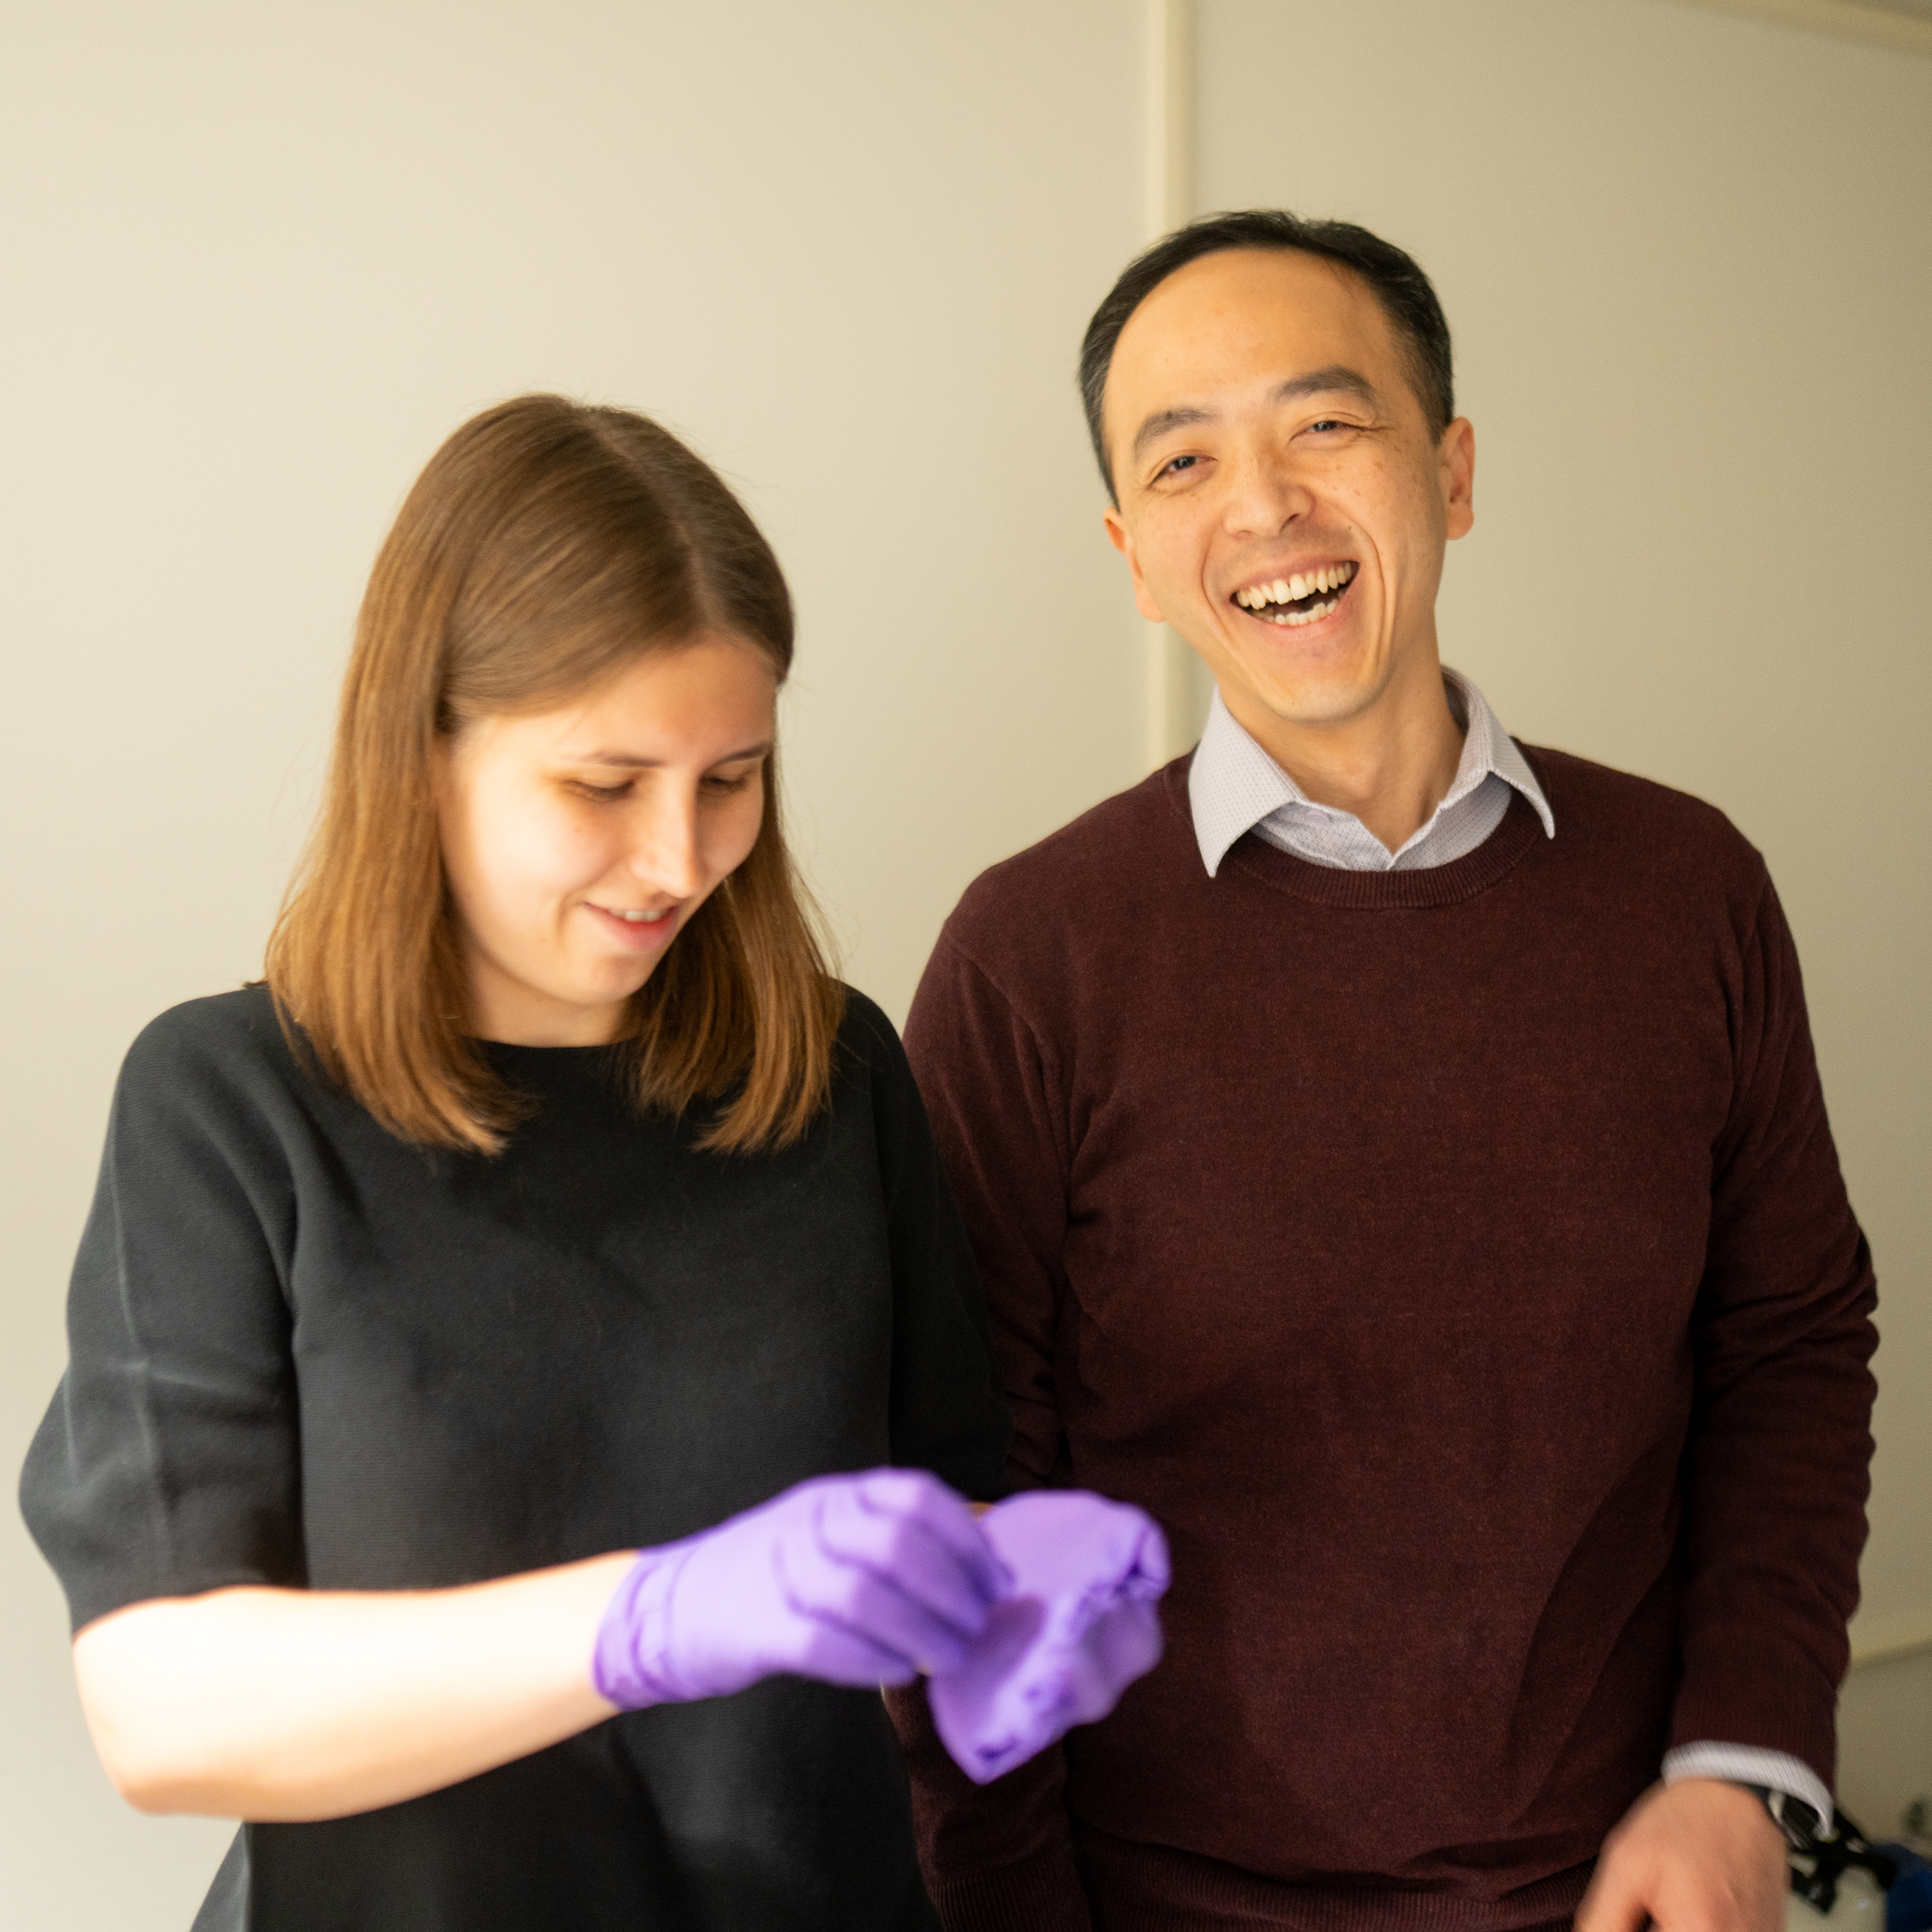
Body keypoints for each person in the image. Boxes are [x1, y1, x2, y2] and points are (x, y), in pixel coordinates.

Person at [19, 394, 1159, 1932]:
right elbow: (161, 1713)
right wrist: (652, 1617)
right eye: (604, 786)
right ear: (426, 752)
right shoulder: (229, 1106)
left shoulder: (831, 1076)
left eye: (731, 777)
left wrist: (1009, 1600)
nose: (682, 859)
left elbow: (925, 1564)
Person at [883, 213, 1879, 1932]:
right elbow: (965, 1521)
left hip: (1635, 1896)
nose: (1264, 505)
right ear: (1133, 553)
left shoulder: (1687, 886)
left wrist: (1744, 1765)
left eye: (1324, 427)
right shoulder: (1030, 958)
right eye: (1184, 460)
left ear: (1454, 469)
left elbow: (1789, 1343)